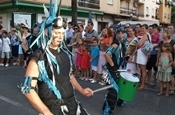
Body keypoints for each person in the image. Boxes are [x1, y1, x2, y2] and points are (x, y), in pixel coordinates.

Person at [20, 3, 93, 114]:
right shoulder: (39, 56)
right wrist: (45, 111)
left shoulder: (65, 53)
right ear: (48, 33)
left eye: (62, 33)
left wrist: (81, 90)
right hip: (53, 107)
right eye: (57, 33)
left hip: (72, 104)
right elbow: (28, 89)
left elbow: (68, 75)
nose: (60, 37)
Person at [102, 30, 126, 115]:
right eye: (119, 33)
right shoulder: (116, 44)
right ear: (116, 35)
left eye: (122, 32)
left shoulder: (122, 44)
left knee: (117, 88)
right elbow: (107, 54)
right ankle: (106, 111)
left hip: (115, 70)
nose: (121, 34)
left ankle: (117, 102)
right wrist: (113, 66)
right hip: (108, 70)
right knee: (113, 91)